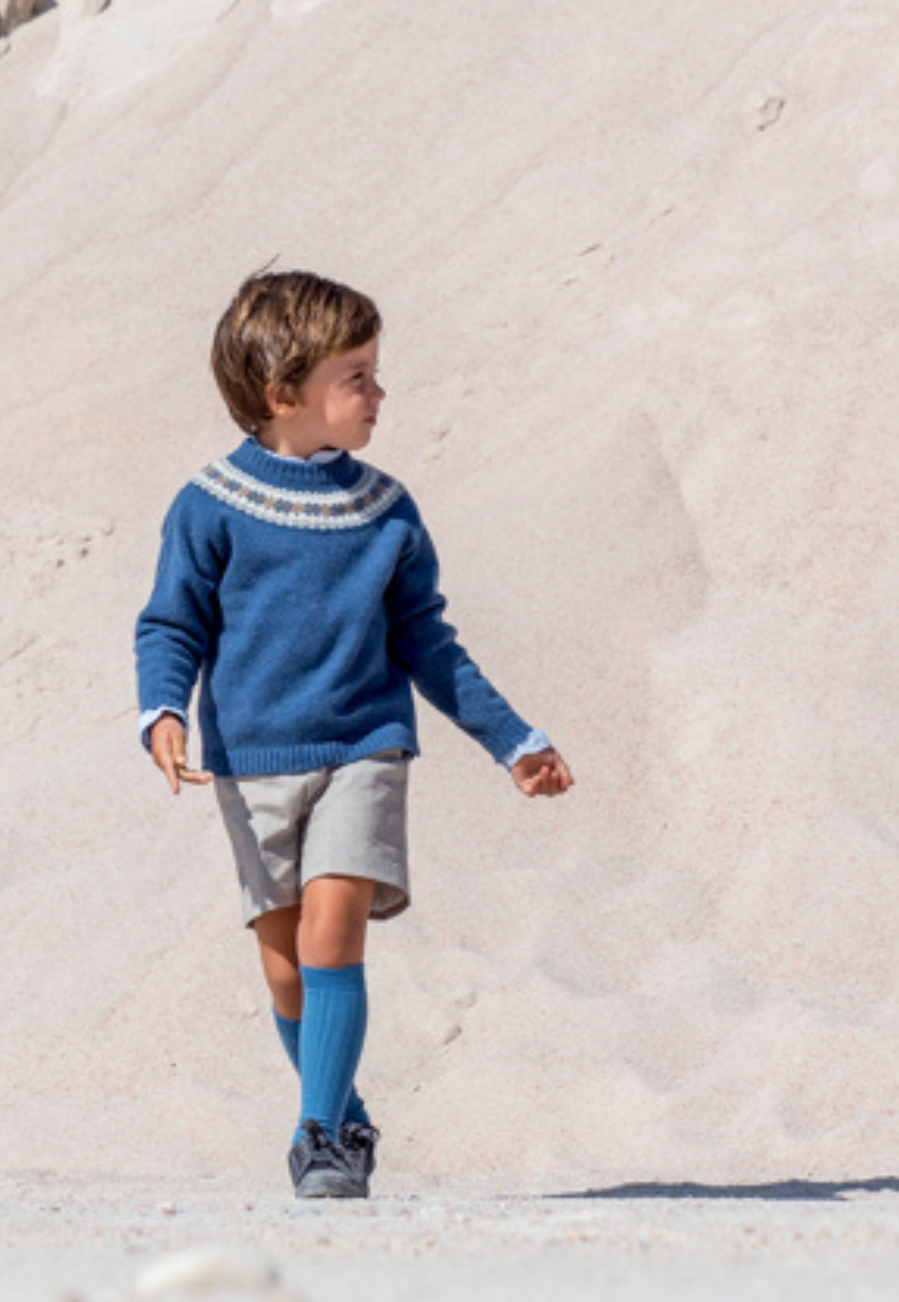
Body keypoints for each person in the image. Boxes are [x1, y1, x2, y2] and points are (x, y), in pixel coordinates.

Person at [135, 269, 574, 1199]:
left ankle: (319, 1136)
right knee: (286, 972)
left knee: (334, 935)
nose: (379, 395)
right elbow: (170, 624)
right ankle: (345, 1105)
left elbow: (428, 643)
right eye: (358, 377)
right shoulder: (208, 504)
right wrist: (162, 709)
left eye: (374, 374)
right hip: (250, 764)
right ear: (282, 394)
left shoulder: (385, 510)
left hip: (365, 748)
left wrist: (512, 739)